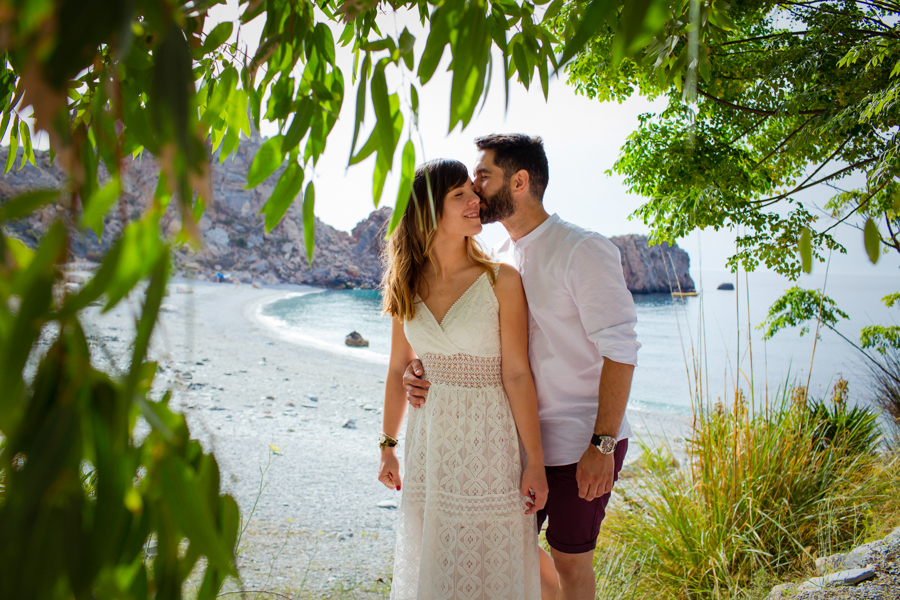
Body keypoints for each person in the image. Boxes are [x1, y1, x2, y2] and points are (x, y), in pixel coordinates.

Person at [403, 135, 639, 600]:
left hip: (578, 441)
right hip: (508, 444)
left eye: (484, 176)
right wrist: (424, 368)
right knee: (512, 554)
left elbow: (622, 350)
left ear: (520, 181)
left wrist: (602, 443)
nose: (474, 187)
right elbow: (484, 347)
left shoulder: (581, 250)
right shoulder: (499, 259)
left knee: (572, 565)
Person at [377, 158, 549, 599]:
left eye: (474, 192)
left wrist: (535, 461)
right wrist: (388, 447)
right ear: (429, 211)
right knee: (437, 566)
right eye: (461, 196)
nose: (477, 201)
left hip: (490, 443)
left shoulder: (500, 280)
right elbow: (400, 367)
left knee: (491, 568)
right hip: (430, 444)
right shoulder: (406, 282)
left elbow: (516, 374)